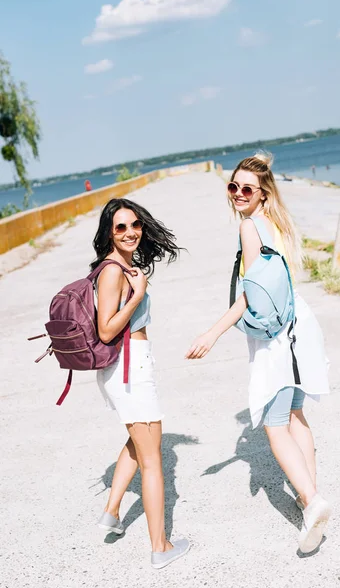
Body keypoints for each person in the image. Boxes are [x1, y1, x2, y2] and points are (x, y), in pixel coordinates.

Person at [186, 153, 331, 554]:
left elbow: (249, 294)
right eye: (232, 186)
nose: (237, 194)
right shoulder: (276, 221)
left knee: (273, 422)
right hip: (299, 325)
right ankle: (309, 504)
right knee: (296, 414)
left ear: (262, 194)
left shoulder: (250, 227)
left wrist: (213, 332)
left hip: (276, 337)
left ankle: (312, 500)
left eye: (246, 188)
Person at [93, 197, 190, 569]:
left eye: (135, 225)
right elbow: (106, 330)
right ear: (108, 233)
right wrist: (137, 295)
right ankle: (160, 547)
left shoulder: (122, 266)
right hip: (130, 371)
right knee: (153, 460)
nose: (130, 232)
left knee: (137, 441)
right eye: (121, 227)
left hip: (128, 369)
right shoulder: (114, 271)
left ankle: (112, 511)